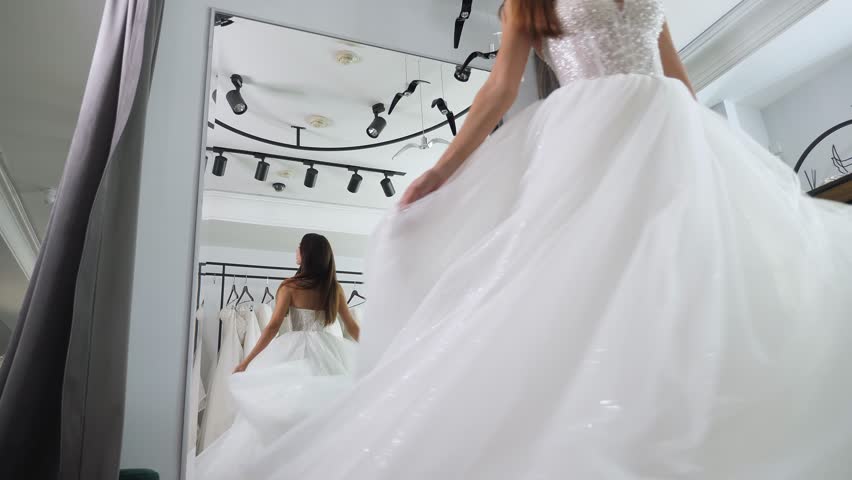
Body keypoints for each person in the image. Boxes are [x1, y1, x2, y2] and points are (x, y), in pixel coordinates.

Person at [202, 1, 852, 478]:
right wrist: (441, 171)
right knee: (585, 286)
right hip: (593, 135)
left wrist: (716, 148)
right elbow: (500, 90)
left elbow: (678, 76)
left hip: (671, 133)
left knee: (693, 279)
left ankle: (689, 423)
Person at [195, 233, 360, 472]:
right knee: (321, 416)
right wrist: (375, 350)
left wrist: (247, 361)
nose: (296, 251)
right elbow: (352, 327)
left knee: (283, 414)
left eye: (299, 248)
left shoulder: (290, 286)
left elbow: (272, 327)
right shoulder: (334, 288)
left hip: (294, 351)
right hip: (327, 352)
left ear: (306, 255)